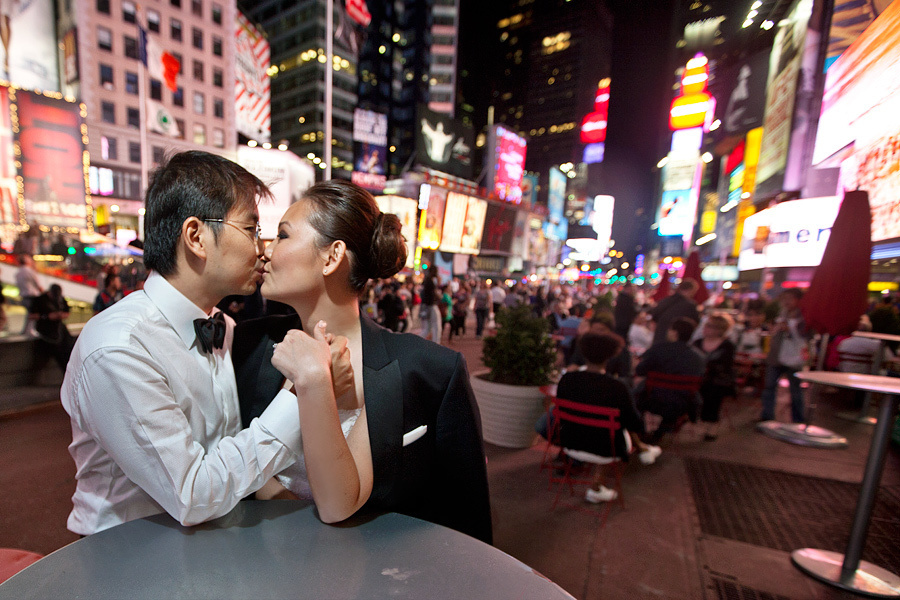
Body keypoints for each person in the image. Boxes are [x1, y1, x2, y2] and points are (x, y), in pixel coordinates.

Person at [60, 151, 346, 536]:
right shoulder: (118, 348)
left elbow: (230, 454)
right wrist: (303, 392)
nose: (262, 250)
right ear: (195, 237)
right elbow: (191, 494)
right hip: (124, 558)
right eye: (250, 229)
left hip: (210, 548)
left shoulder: (224, 327)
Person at [233, 180, 492, 543]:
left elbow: (467, 515)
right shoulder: (248, 342)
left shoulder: (430, 369)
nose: (266, 252)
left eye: (283, 236)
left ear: (332, 256)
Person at [555, 333, 661, 504]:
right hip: (606, 449)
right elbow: (634, 423)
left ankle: (642, 451)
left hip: (569, 443)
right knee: (614, 429)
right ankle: (597, 486)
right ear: (611, 356)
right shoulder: (617, 387)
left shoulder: (567, 380)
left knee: (608, 427)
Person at [634, 317, 706, 442]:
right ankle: (661, 428)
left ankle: (640, 429)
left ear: (675, 332)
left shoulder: (659, 349)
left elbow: (640, 370)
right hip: (682, 403)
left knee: (635, 384)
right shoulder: (699, 357)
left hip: (651, 400)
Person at [759, 289, 809, 423]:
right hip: (775, 357)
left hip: (794, 359)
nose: (786, 301)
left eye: (790, 298)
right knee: (769, 387)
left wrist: (791, 330)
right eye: (784, 298)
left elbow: (806, 337)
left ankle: (797, 419)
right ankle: (767, 415)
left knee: (795, 391)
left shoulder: (804, 317)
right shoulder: (782, 314)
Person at [692, 313, 736, 441]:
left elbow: (726, 367)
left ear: (719, 330)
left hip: (717, 380)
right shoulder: (697, 343)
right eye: (706, 325)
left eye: (710, 326)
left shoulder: (727, 346)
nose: (706, 329)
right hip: (698, 379)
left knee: (713, 391)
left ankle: (711, 425)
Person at [29, 283, 74, 371]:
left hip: (59, 331)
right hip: (46, 332)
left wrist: (60, 315)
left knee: (65, 354)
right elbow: (31, 315)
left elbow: (67, 312)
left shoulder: (60, 300)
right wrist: (47, 316)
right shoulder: (40, 300)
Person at [649, 278, 700, 347]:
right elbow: (695, 323)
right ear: (690, 290)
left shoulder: (664, 301)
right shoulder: (689, 305)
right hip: (677, 343)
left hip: (659, 339)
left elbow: (654, 315)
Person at [15, 254, 42, 334]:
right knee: (34, 314)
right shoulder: (29, 271)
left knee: (29, 314)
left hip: (24, 296)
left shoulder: (18, 272)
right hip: (32, 296)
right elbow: (37, 284)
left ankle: (26, 331)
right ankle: (30, 331)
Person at [418, 265, 442, 343]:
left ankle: (416, 342)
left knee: (426, 328)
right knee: (436, 327)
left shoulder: (426, 280)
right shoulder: (431, 280)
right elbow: (435, 294)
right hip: (431, 305)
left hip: (425, 305)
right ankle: (436, 345)